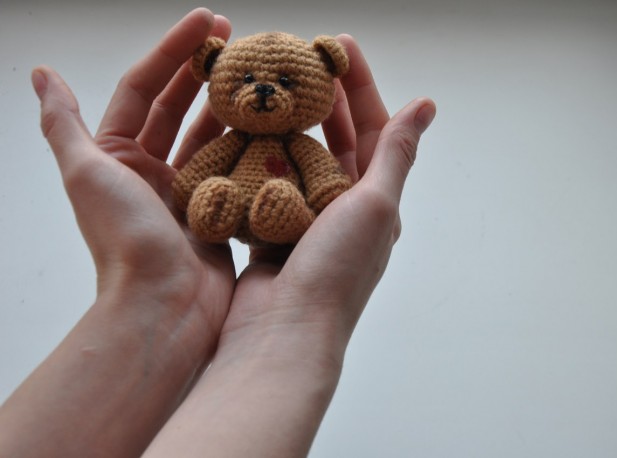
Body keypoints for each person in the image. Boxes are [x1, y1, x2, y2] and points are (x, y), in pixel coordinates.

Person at [0, 8, 435, 457]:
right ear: (213, 70)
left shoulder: (302, 147)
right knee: (214, 189)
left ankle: (278, 211)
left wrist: (328, 196)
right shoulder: (231, 144)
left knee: (283, 200)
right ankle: (219, 207)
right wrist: (189, 191)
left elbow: (324, 177)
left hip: (286, 210)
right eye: (246, 80)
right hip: (232, 203)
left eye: (286, 82)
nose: (263, 91)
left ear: (325, 71)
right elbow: (194, 176)